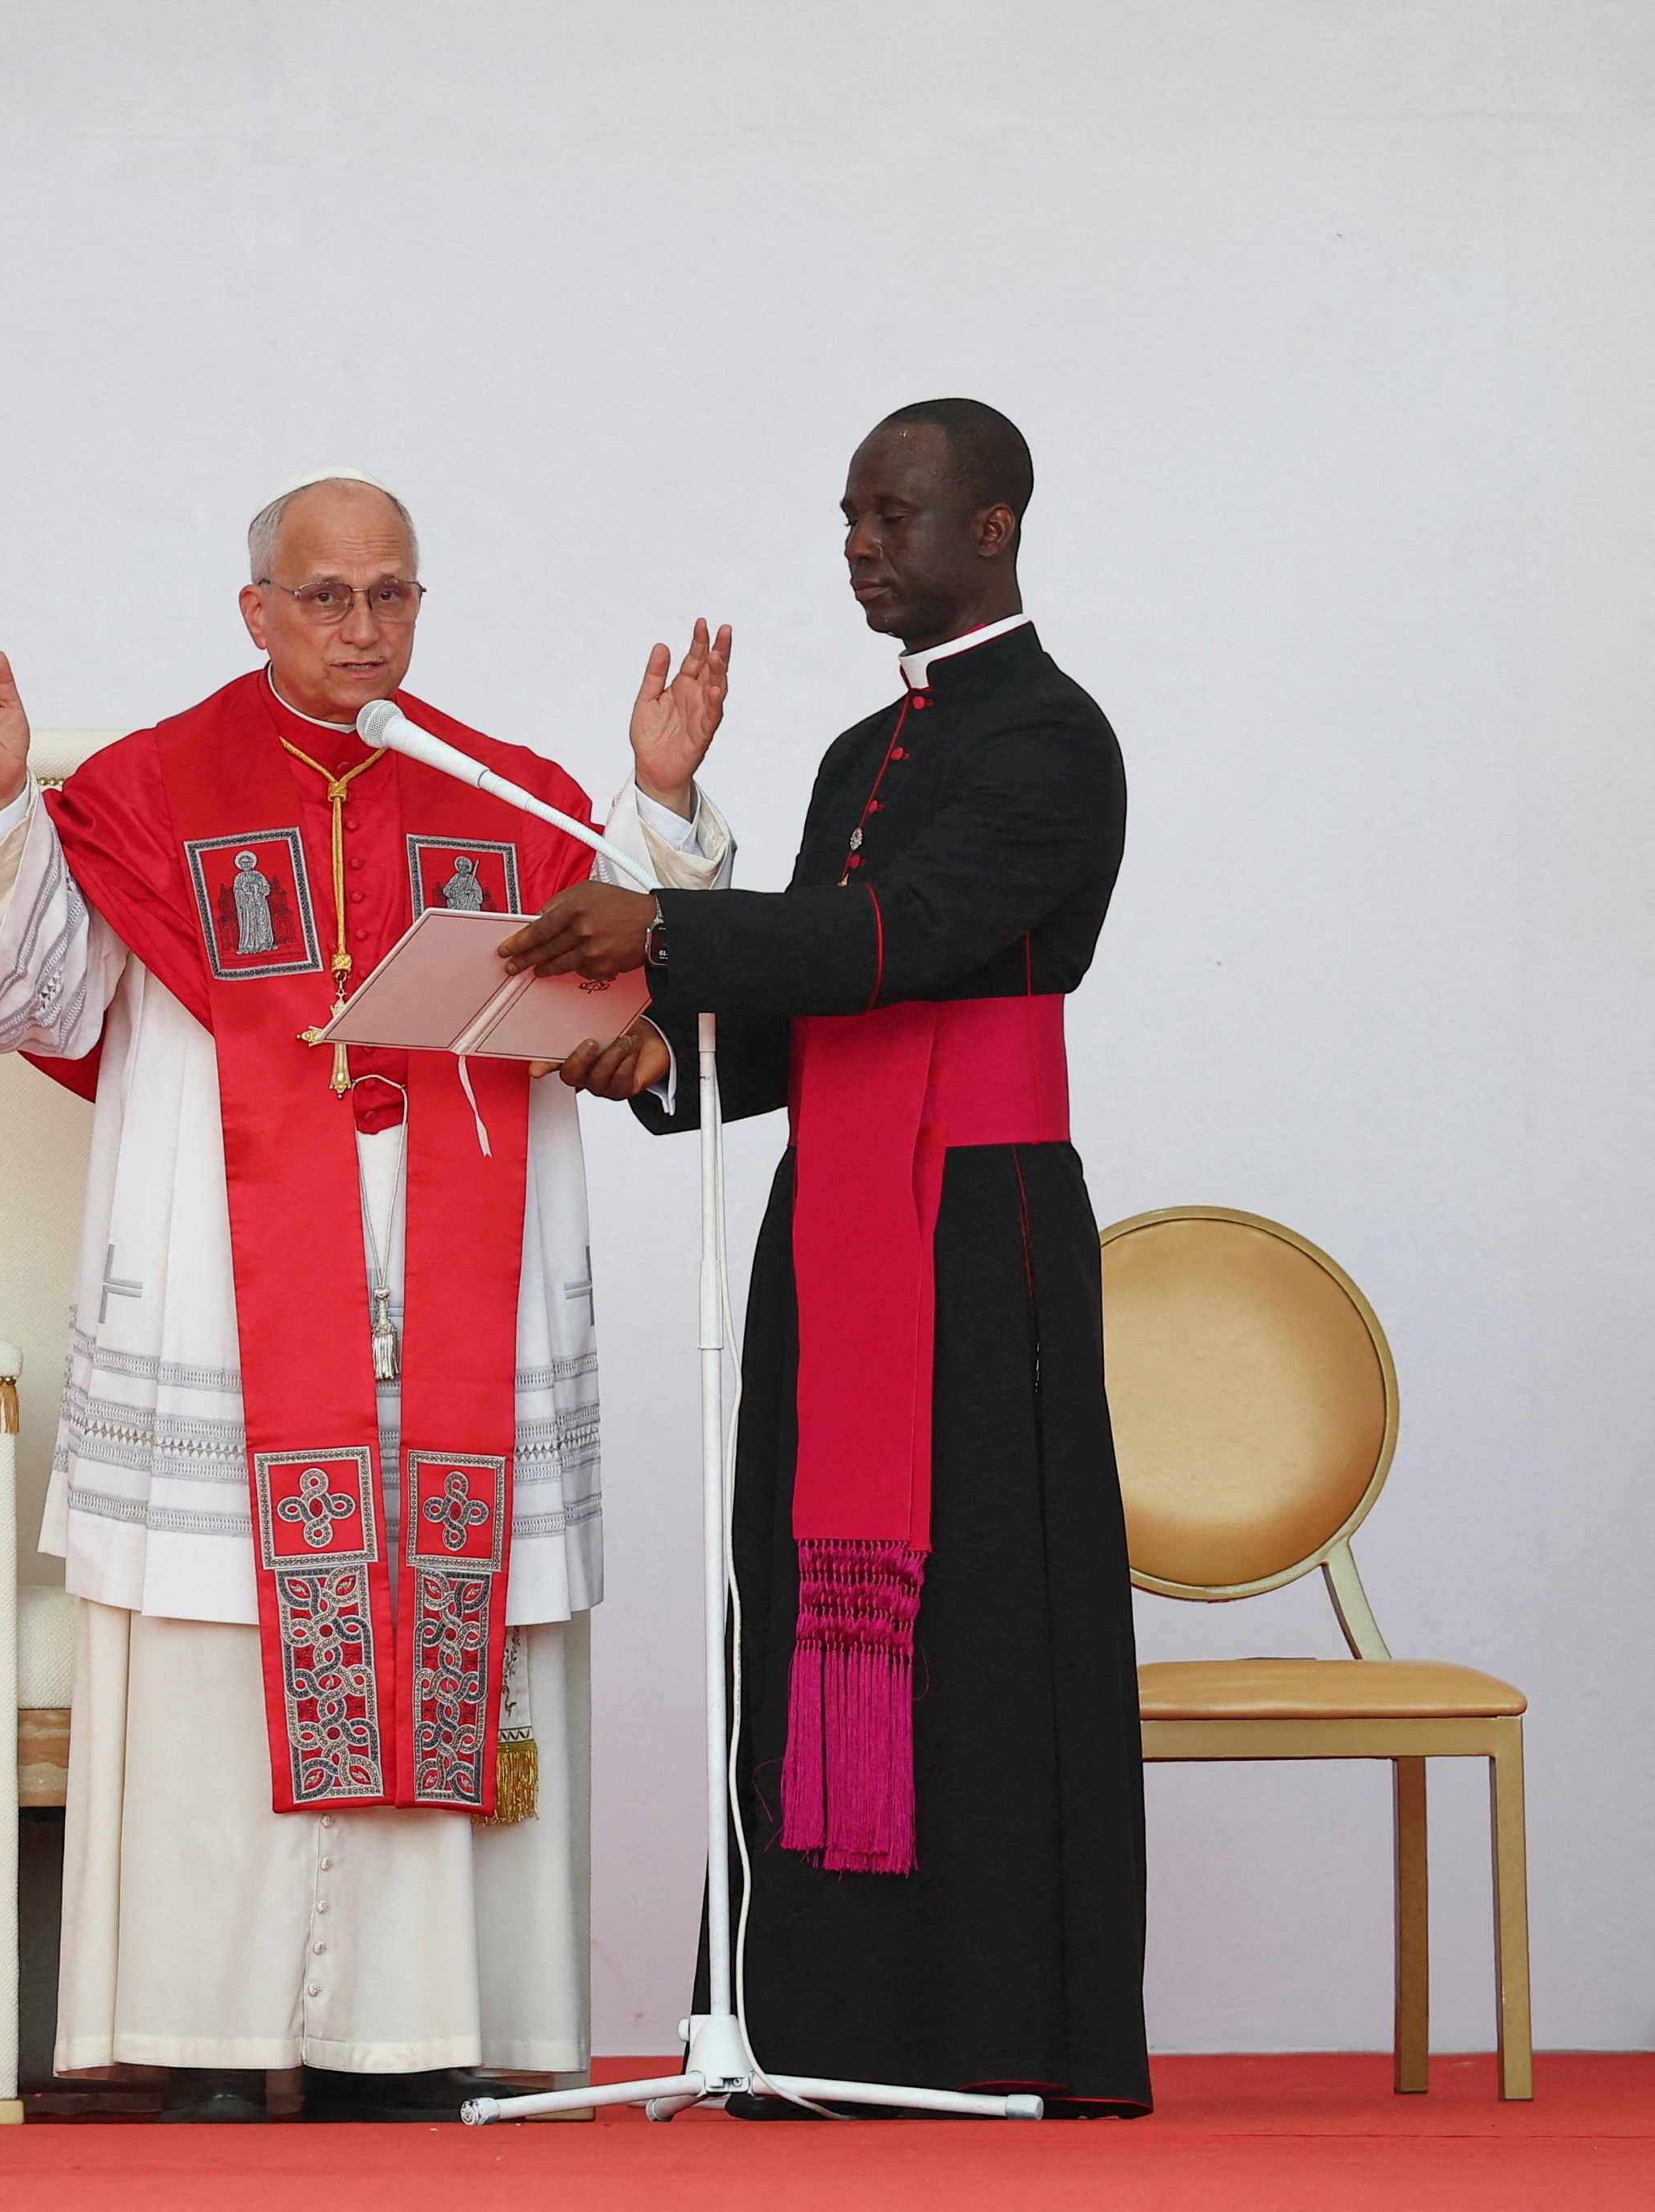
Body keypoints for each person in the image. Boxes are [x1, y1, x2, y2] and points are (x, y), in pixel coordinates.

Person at [0, 473, 732, 2122]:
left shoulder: (493, 788)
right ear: (255, 611)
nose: (361, 628)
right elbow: (36, 998)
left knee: (441, 1620)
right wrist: (6, 819)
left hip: (451, 1279)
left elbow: (633, 963)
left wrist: (657, 803)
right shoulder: (148, 789)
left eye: (390, 597)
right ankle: (204, 2039)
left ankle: (418, 2032)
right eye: (325, 598)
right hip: (223, 1280)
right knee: (223, 1646)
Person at [507, 400, 1150, 2113]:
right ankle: (815, 2026)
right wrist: (661, 1053)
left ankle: (998, 2032)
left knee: (981, 1617)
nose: (858, 546)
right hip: (838, 1210)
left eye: (892, 516)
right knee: (805, 1596)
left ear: (991, 529)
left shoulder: (1050, 737)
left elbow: (920, 937)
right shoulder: (856, 755)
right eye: (847, 517)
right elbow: (810, 1005)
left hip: (983, 1225)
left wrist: (665, 931)